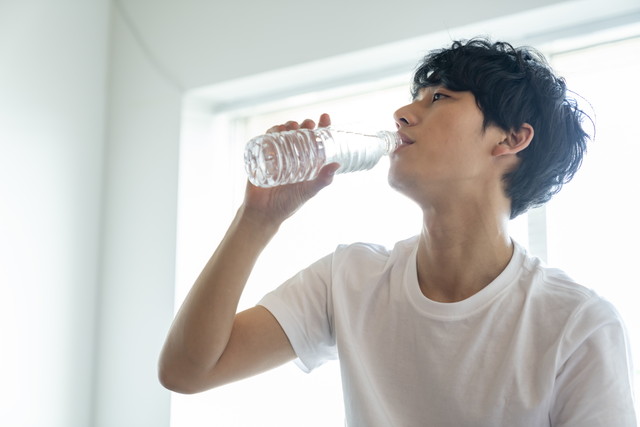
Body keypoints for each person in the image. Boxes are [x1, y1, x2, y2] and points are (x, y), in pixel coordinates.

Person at [158, 39, 637, 426]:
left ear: (511, 138)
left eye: (440, 98)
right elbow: (187, 371)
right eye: (415, 99)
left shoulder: (576, 324)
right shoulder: (349, 279)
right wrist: (257, 219)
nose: (403, 114)